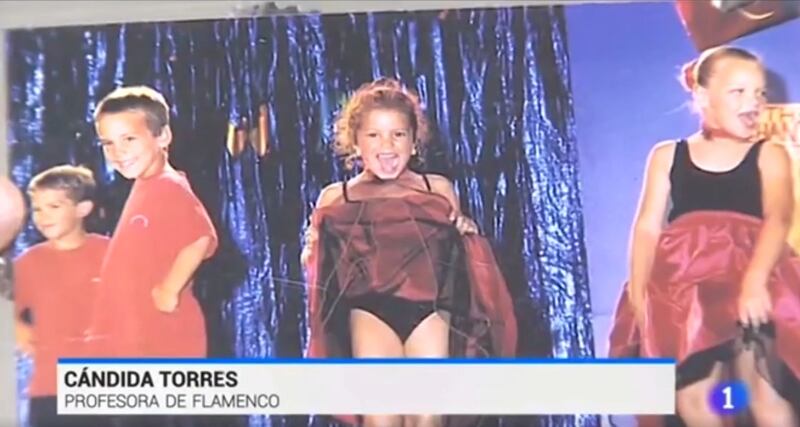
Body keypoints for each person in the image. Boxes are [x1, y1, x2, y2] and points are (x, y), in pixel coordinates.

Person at [301, 77, 518, 427]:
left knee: (426, 418)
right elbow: (318, 264)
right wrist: (311, 249)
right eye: (374, 135)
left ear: (414, 141)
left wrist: (467, 231)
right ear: (355, 142)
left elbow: (460, 253)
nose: (387, 145)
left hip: (430, 311)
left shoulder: (437, 188)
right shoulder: (337, 196)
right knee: (381, 418)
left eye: (398, 134)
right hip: (370, 311)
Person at [608, 46, 800, 427]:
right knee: (694, 398)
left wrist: (755, 281)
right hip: (685, 288)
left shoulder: (769, 154)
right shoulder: (668, 155)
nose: (753, 102)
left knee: (762, 391)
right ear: (702, 95)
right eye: (738, 92)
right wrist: (640, 293)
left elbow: (778, 218)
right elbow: (647, 227)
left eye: (760, 93)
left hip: (749, 275)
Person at [87, 85, 218, 362]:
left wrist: (170, 289)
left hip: (162, 338)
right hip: (134, 334)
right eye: (108, 143)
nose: (118, 152)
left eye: (129, 139)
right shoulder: (145, 184)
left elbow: (200, 237)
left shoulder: (169, 185)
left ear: (163, 136)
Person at [13, 165, 110, 427]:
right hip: (51, 389)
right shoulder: (29, 262)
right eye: (37, 209)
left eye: (54, 206)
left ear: (83, 209)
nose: (43, 216)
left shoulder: (111, 253)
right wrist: (18, 329)